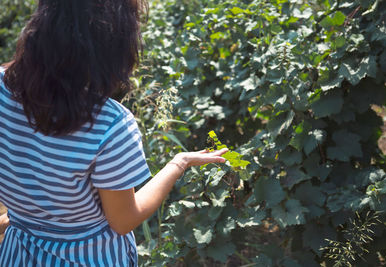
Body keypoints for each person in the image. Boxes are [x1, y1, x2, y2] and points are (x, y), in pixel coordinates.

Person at [0, 0, 227, 266]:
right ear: (112, 46)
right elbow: (123, 221)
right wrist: (179, 163)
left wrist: (26, 215)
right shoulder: (110, 124)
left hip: (19, 254)